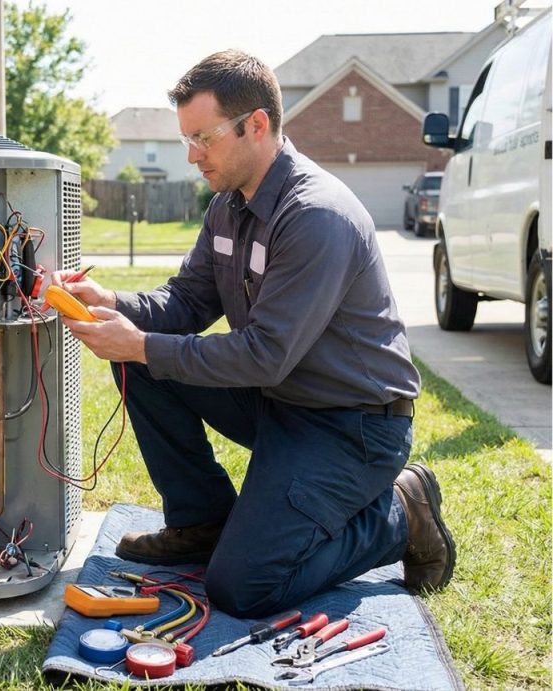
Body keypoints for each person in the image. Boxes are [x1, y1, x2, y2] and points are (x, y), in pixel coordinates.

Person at [54, 49, 455, 618]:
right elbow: (186, 301)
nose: (192, 155)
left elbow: (265, 354)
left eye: (204, 138)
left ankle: (400, 513)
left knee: (245, 587)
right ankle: (203, 523)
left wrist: (139, 343)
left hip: (352, 424)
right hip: (279, 401)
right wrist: (114, 303)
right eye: (187, 139)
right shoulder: (227, 206)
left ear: (257, 125)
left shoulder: (316, 215)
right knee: (142, 363)